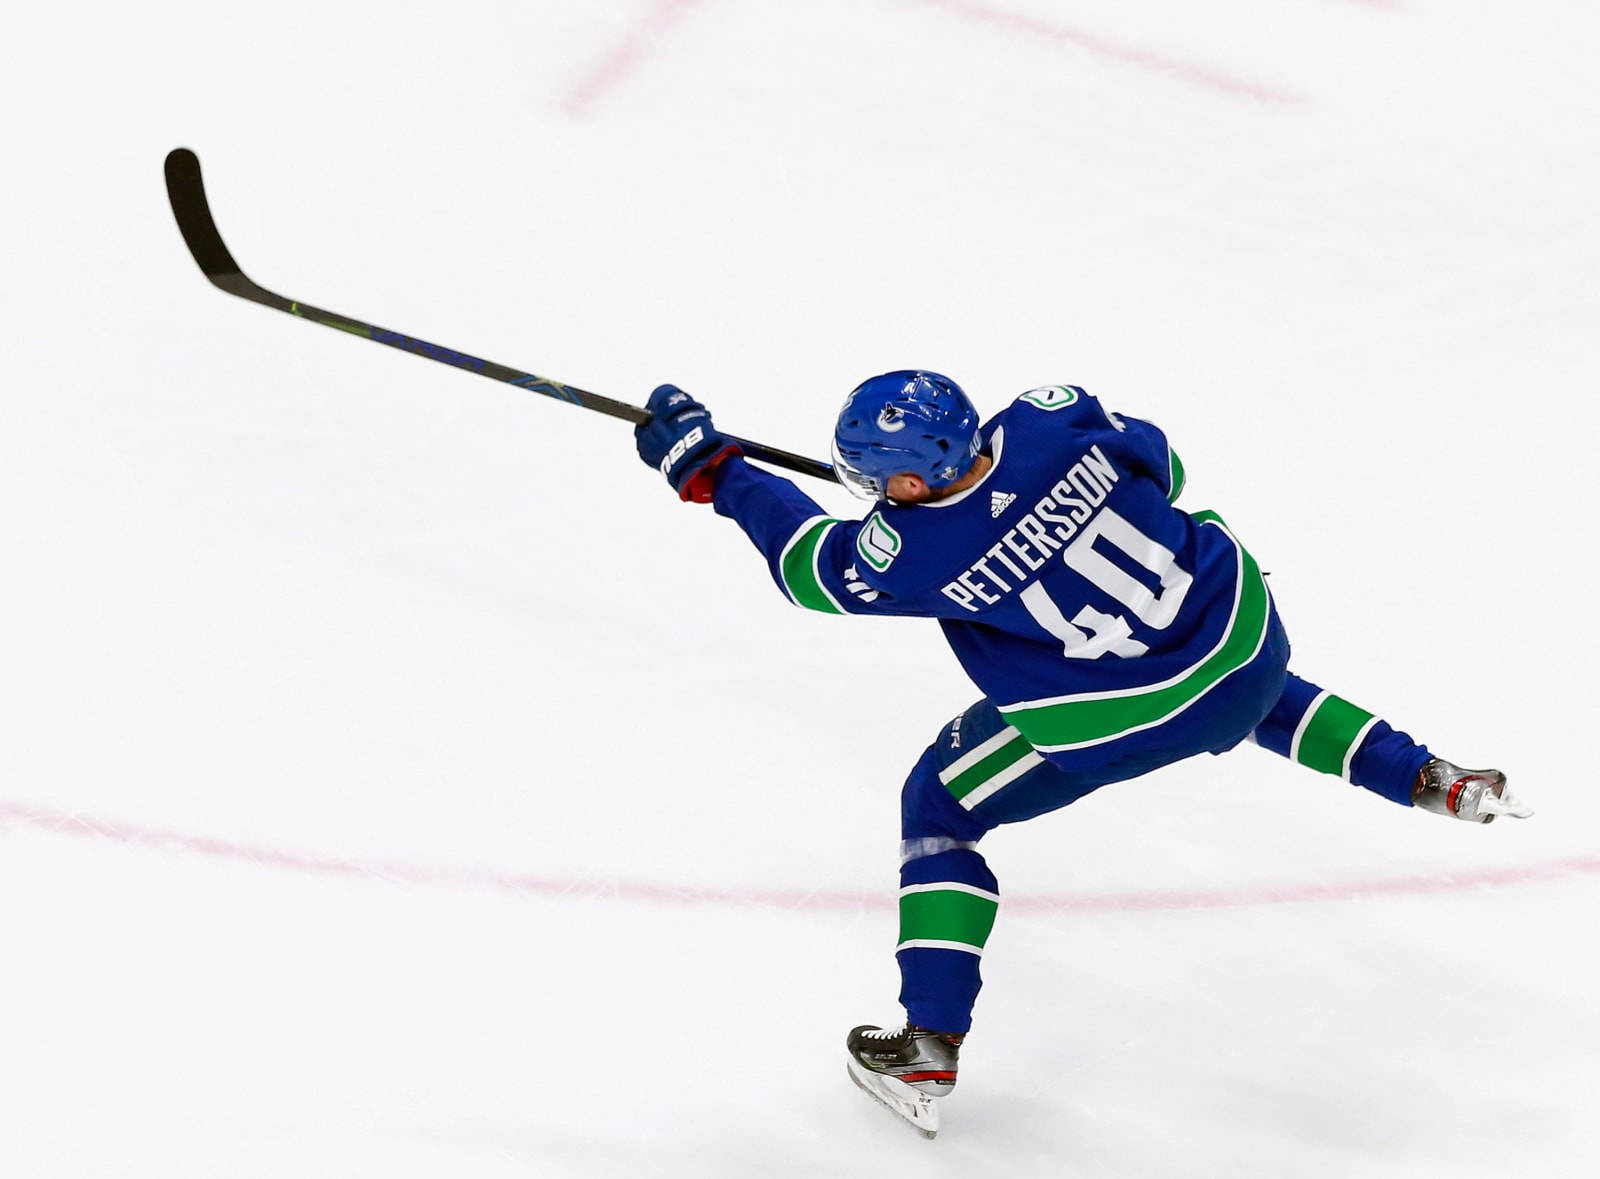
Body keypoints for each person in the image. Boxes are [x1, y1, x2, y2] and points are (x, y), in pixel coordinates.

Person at [633, 372, 1531, 1138]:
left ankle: (926, 1048)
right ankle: (1429, 776)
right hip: (1239, 634)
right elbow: (1165, 464)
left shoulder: (910, 548)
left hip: (1123, 715)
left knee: (939, 808)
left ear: (904, 485)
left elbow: (805, 562)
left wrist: (715, 468)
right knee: (1236, 691)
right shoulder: (1051, 417)